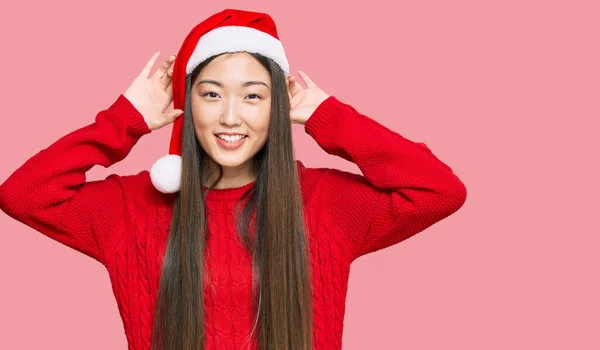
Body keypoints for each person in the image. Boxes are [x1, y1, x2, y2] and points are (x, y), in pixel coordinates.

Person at [0, 8, 467, 350]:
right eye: (210, 93)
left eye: (252, 96)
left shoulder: (324, 205)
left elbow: (438, 190)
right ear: (188, 103)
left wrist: (329, 116)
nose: (230, 117)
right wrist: (123, 120)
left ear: (276, 107)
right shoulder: (133, 207)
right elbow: (22, 194)